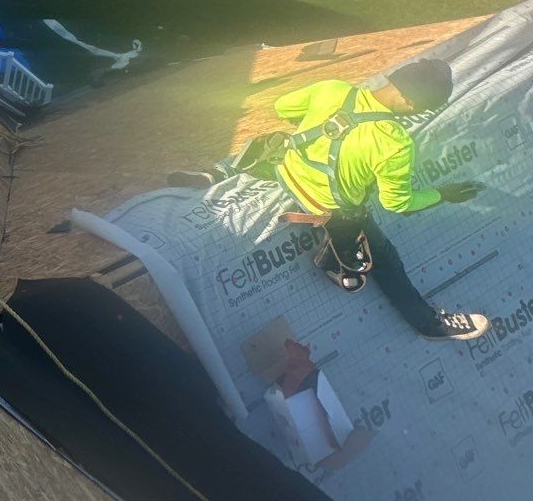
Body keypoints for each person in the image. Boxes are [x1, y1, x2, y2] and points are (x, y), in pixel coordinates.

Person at [170, 57, 488, 343]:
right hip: (328, 207)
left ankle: (215, 174)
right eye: (423, 108)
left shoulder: (333, 89)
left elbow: (283, 108)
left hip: (286, 174)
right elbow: (398, 204)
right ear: (410, 100)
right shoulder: (395, 143)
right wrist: (442, 194)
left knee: (268, 144)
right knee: (387, 260)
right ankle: (427, 323)